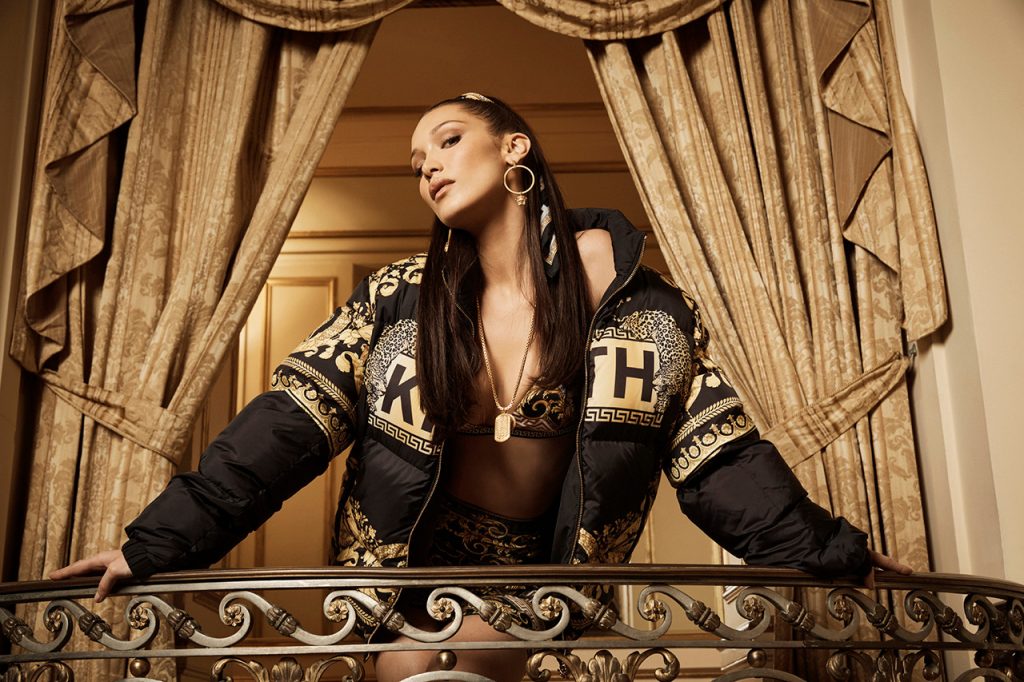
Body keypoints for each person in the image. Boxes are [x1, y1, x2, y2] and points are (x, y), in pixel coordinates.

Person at [51, 92, 911, 681]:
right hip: (401, 596)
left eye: (448, 139)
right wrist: (152, 548)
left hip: (547, 603)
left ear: (515, 148)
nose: (427, 165)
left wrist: (830, 549)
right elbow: (282, 431)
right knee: (431, 661)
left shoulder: (646, 314)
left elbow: (721, 461)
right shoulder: (397, 302)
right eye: (415, 161)